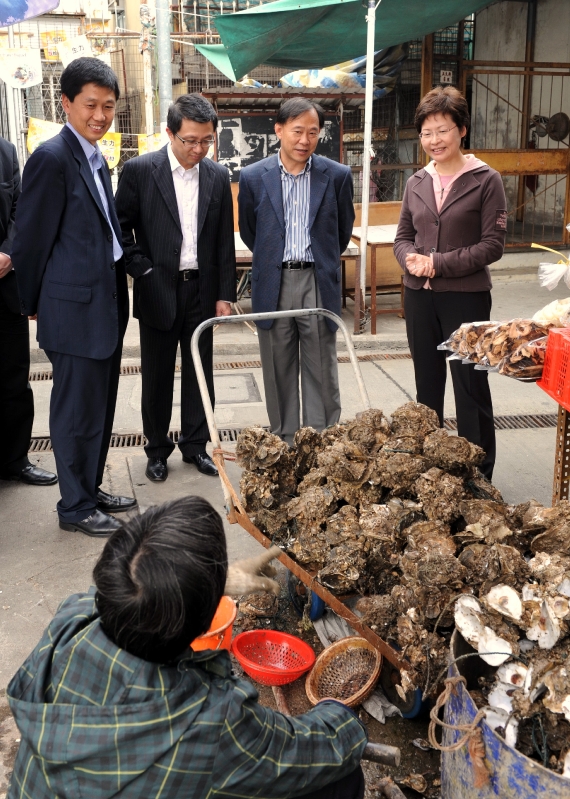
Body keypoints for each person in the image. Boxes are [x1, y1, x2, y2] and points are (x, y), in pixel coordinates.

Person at [7, 496, 368, 799]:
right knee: (342, 779)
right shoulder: (210, 719)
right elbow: (310, 750)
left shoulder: (70, 623)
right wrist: (343, 717)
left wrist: (213, 581)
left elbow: (120, 598)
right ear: (202, 624)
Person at [11, 57, 136, 536]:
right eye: (90, 105)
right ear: (65, 103)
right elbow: (29, 241)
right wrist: (34, 303)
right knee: (74, 411)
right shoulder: (52, 157)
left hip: (102, 305)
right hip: (71, 309)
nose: (100, 116)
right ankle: (75, 507)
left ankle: (89, 487)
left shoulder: (96, 155)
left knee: (100, 409)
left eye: (108, 107)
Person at [115, 94, 236, 483]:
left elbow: (222, 241)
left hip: (201, 288)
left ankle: (196, 445)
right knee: (156, 374)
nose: (199, 149)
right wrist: (143, 271)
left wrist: (224, 294)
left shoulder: (216, 176)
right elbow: (120, 229)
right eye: (190, 141)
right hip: (157, 288)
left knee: (201, 373)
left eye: (207, 140)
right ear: (170, 133)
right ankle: (156, 449)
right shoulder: (139, 171)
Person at [394, 86, 507, 480]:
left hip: (466, 300)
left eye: (441, 130)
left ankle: (479, 473)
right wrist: (408, 258)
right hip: (420, 298)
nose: (433, 141)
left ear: (461, 130)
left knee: (470, 388)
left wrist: (437, 264)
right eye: (426, 133)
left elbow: (493, 245)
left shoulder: (485, 179)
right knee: (427, 386)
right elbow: (402, 236)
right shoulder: (416, 182)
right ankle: (432, 471)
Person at [238, 98, 354, 445]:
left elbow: (341, 230)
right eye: (297, 131)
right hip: (273, 281)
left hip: (317, 280)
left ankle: (321, 442)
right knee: (278, 366)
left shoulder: (336, 175)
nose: (305, 140)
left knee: (321, 366)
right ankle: (285, 441)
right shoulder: (253, 177)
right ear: (279, 130)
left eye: (313, 132)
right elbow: (250, 230)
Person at [0, 136, 58, 486]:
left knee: (14, 376)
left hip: (6, 283)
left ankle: (15, 458)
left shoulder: (6, 151)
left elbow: (21, 209)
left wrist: (9, 251)